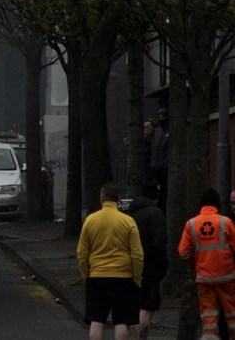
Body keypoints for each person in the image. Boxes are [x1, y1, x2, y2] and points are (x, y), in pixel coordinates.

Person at [77, 182, 143, 340]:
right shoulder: (128, 222)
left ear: (102, 198)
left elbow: (82, 252)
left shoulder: (90, 220)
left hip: (97, 275)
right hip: (123, 277)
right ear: (118, 199)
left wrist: (86, 275)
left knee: (97, 320)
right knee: (121, 321)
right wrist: (136, 277)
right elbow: (137, 254)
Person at [178, 188, 235, 339]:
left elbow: (183, 252)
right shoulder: (226, 222)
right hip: (227, 277)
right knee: (232, 315)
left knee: (209, 319)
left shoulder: (191, 224)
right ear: (217, 204)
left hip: (204, 278)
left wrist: (195, 263)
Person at [128, 178, 167, 339]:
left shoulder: (132, 213)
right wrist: (163, 264)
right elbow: (159, 241)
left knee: (136, 305)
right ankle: (140, 335)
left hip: (132, 266)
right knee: (148, 306)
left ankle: (135, 333)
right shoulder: (155, 214)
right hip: (150, 267)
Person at [149, 111, 169, 211]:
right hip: (155, 167)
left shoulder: (167, 131)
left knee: (164, 192)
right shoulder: (157, 131)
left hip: (164, 168)